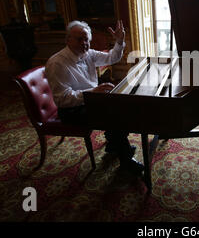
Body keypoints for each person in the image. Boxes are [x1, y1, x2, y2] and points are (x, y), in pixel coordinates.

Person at [45, 20, 144, 175]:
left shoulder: (88, 54)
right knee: (113, 114)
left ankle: (113, 143)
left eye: (86, 39)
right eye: (79, 39)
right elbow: (61, 99)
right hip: (71, 110)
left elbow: (112, 58)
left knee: (122, 103)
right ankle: (126, 161)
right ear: (68, 40)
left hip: (91, 101)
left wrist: (119, 41)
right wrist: (93, 92)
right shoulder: (57, 63)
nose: (84, 43)